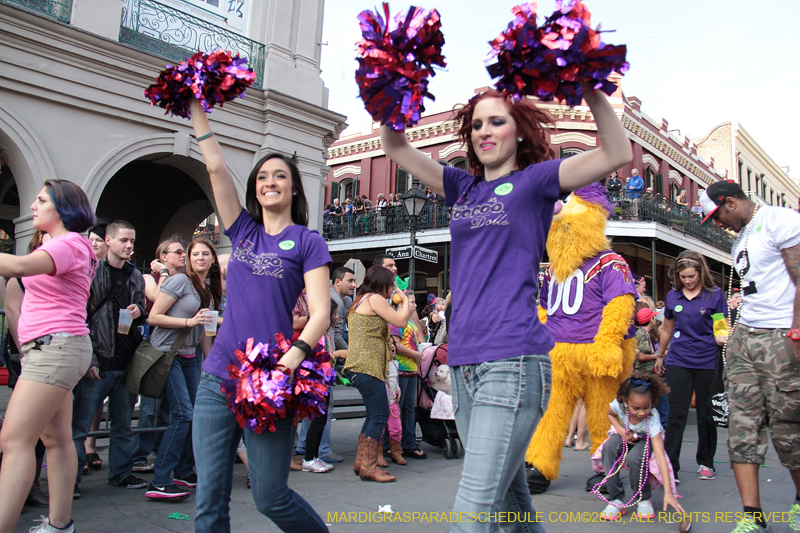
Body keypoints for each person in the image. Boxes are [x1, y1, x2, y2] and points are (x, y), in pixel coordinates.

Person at [380, 84, 632, 531]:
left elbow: (615, 152)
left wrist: (592, 87)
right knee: (514, 508)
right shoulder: (462, 186)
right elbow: (395, 145)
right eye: (476, 124)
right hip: (464, 365)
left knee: (474, 511)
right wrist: (392, 85)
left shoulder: (535, 181)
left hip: (512, 361)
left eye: (497, 121)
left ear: (519, 131)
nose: (484, 131)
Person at [189, 98, 332, 532]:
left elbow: (322, 313)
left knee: (271, 497)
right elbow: (215, 167)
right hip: (217, 381)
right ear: (255, 188)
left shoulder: (307, 241)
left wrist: (292, 358)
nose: (270, 182)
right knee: (209, 500)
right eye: (263, 177)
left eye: (280, 176)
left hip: (270, 381)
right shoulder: (243, 231)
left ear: (293, 188)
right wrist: (194, 101)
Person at [700, 180, 800, 533]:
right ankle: (752, 515)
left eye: (716, 216)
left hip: (779, 334)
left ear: (729, 203)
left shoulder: (779, 220)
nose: (718, 224)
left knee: (789, 425)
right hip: (746, 335)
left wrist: (797, 332)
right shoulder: (742, 237)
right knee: (741, 425)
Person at [0, 179, 96, 533]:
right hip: (58, 347)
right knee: (55, 440)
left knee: (14, 441)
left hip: (55, 348)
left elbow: (19, 268)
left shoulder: (69, 243)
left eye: (41, 200)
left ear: (62, 207)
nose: (33, 206)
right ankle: (59, 526)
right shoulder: (69, 245)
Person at [72, 221, 148, 499]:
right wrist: (89, 357)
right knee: (79, 426)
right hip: (98, 361)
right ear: (108, 241)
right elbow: (79, 316)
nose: (129, 246)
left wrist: (138, 309)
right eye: (124, 240)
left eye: (132, 241)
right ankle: (70, 478)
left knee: (122, 424)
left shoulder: (135, 276)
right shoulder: (92, 272)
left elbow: (143, 307)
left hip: (126, 360)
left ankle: (121, 473)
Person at [145, 237, 222, 501]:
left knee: (196, 414)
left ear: (213, 260)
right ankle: (160, 479)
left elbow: (204, 330)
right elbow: (153, 317)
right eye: (194, 254)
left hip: (190, 358)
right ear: (188, 259)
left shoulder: (207, 289)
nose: (199, 258)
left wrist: (210, 363)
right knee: (182, 415)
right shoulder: (179, 281)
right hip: (167, 355)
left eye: (205, 254)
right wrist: (190, 321)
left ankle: (183, 470)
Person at [654, 250, 727, 484]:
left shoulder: (715, 296)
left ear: (701, 273)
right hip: (679, 359)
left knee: (706, 414)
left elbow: (721, 325)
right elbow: (666, 328)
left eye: (691, 276)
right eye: (683, 277)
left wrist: (721, 336)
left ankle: (706, 461)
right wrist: (660, 356)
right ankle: (670, 465)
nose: (687, 280)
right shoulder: (673, 297)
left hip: (707, 360)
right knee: (676, 414)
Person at [344, 265, 409, 483]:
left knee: (373, 415)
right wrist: (406, 302)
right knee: (380, 415)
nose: (393, 289)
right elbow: (400, 322)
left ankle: (361, 462)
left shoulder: (361, 299)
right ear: (383, 283)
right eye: (392, 284)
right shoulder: (374, 298)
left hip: (361, 366)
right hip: (367, 367)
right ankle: (369, 467)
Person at [595, 373, 684, 521]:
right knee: (609, 448)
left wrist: (668, 492)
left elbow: (661, 457)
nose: (642, 413)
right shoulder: (619, 405)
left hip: (645, 439)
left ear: (652, 402)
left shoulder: (653, 418)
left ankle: (643, 498)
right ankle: (616, 498)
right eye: (636, 408)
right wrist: (621, 431)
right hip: (626, 434)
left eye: (646, 407)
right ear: (625, 402)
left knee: (635, 457)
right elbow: (610, 414)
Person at [3, 232, 50, 509]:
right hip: (31, 359)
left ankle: (31, 485)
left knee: (48, 433)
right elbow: (12, 312)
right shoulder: (19, 278)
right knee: (21, 430)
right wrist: (26, 352)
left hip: (52, 355)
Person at [132, 238, 187, 474]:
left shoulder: (186, 281)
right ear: (163, 256)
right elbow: (156, 297)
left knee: (169, 408)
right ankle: (140, 455)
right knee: (150, 406)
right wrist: (163, 272)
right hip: (156, 350)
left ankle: (157, 450)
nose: (182, 255)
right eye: (177, 252)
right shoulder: (148, 278)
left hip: (178, 350)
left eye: (183, 251)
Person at [302, 299, 348, 473]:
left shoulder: (325, 333)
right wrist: (336, 354)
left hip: (324, 381)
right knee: (317, 421)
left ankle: (313, 456)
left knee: (320, 422)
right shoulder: (316, 334)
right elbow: (315, 357)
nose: (336, 317)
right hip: (316, 383)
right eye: (334, 313)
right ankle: (309, 458)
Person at [82, 217, 112, 473]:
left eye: (98, 241)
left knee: (96, 398)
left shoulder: (114, 272)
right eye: (89, 240)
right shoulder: (82, 267)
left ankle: (90, 445)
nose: (92, 245)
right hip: (82, 339)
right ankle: (79, 448)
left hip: (105, 343)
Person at [389, 291, 426, 460]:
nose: (415, 305)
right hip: (401, 370)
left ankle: (409, 443)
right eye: (412, 302)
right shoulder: (396, 321)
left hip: (411, 370)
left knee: (410, 408)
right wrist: (416, 355)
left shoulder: (409, 321)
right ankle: (394, 444)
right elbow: (396, 346)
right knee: (399, 409)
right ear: (401, 303)